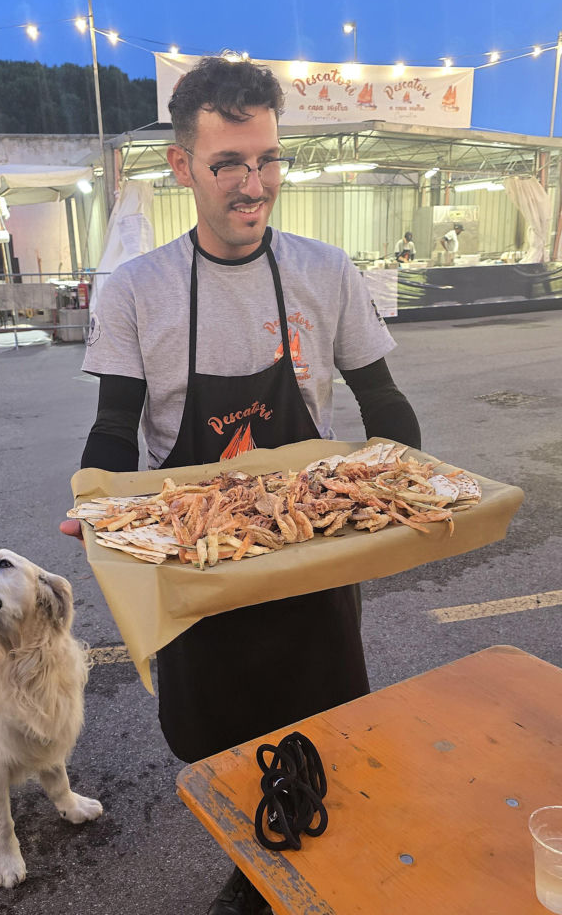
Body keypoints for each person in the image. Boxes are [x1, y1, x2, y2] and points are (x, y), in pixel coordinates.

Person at [61, 56, 421, 915]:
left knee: (320, 726)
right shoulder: (137, 290)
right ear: (182, 165)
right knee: (215, 738)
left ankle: (290, 869)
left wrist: (411, 476)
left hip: (311, 553)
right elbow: (116, 426)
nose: (254, 185)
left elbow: (383, 401)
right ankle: (255, 862)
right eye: (228, 164)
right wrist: (96, 499)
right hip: (200, 562)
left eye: (267, 160)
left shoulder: (326, 271)